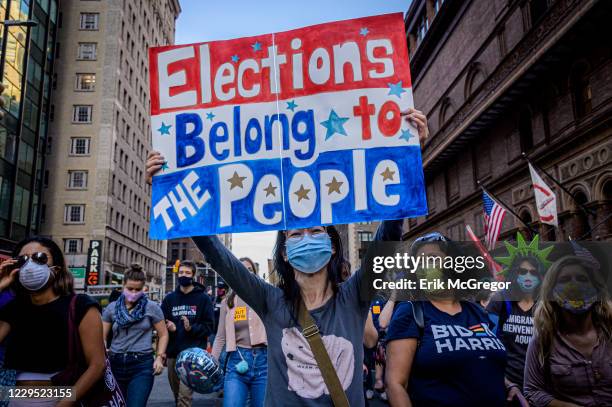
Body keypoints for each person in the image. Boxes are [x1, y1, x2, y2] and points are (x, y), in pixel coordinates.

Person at [146, 108, 428, 406]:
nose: (306, 239)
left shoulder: (353, 298)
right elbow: (218, 258)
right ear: (284, 252)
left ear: (332, 246)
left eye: (315, 231)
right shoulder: (270, 301)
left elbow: (390, 235)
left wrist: (409, 156)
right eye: (295, 235)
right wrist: (169, 188)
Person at [385, 232, 508, 407]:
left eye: (433, 258)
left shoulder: (477, 311)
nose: (425, 266)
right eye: (419, 262)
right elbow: (396, 385)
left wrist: (510, 387)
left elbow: (485, 363)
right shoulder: (410, 312)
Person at [0, 236, 106, 406]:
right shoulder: (15, 308)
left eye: (39, 258)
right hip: (14, 398)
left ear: (56, 268)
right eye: (23, 260)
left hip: (60, 398)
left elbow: (97, 365)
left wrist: (63, 404)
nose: (30, 265)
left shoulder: (80, 306)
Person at [523, 255, 612, 407]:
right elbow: (532, 391)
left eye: (582, 279)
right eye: (564, 280)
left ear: (595, 288)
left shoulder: (609, 330)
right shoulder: (543, 340)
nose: (574, 286)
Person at [487, 234, 552, 398]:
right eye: (523, 271)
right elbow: (486, 345)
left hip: (541, 386)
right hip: (507, 385)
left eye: (533, 272)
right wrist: (504, 383)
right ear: (514, 274)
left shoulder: (546, 305)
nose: (528, 276)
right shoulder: (500, 300)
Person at [102, 264, 169, 406]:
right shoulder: (112, 308)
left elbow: (163, 334)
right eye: (129, 289)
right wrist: (103, 352)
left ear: (144, 288)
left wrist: (159, 357)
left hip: (141, 365)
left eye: (137, 290)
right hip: (115, 363)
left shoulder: (152, 307)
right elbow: (102, 336)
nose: (133, 292)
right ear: (123, 286)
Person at [212, 257, 268, 407]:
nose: (245, 273)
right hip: (237, 362)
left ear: (255, 274)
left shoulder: (265, 298)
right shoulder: (227, 303)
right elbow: (220, 337)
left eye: (249, 270)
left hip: (264, 363)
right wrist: (212, 363)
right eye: (241, 269)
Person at [162, 260, 215, 407]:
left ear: (193, 276)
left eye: (187, 273)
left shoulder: (203, 299)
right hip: (173, 353)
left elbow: (209, 326)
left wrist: (191, 328)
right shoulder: (169, 299)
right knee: (176, 395)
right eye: (181, 273)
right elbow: (160, 325)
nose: (183, 275)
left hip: (192, 355)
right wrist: (169, 327)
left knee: (184, 397)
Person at [210, 280, 228, 348]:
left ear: (226, 290)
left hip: (225, 334)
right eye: (218, 288)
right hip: (214, 333)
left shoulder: (230, 301)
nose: (219, 290)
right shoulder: (214, 300)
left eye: (221, 288)